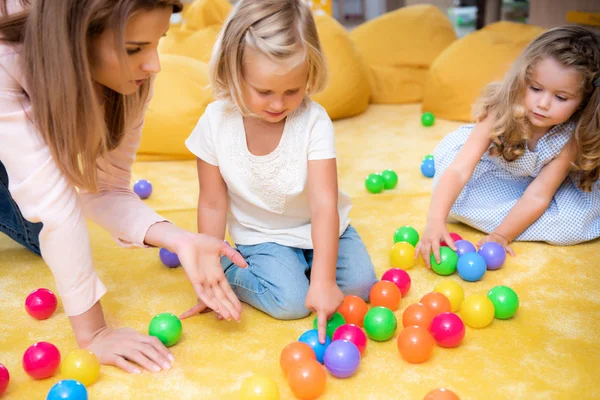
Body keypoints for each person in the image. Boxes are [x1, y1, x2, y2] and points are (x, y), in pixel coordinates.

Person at [0, 0, 246, 374]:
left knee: (47, 241)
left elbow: (106, 189)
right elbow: (55, 204)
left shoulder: (136, 77)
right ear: (75, 40)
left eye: (157, 41)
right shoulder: (8, 57)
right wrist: (94, 333)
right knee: (53, 229)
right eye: (134, 49)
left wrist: (179, 239)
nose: (154, 64)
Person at [181, 0, 377, 343]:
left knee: (361, 287)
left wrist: (323, 279)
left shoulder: (313, 121)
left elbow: (323, 204)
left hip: (323, 226)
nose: (277, 104)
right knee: (290, 302)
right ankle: (230, 269)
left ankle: (308, 271)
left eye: (292, 90)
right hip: (263, 235)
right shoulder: (215, 123)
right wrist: (210, 265)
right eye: (264, 91)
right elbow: (212, 203)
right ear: (234, 71)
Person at [416, 25, 600, 266]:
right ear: (522, 79)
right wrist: (435, 222)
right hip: (492, 174)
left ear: (582, 101)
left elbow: (540, 193)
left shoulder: (573, 134)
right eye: (535, 88)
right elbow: (459, 170)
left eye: (561, 97)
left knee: (572, 226)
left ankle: (504, 220)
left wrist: (501, 236)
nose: (543, 103)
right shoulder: (502, 110)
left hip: (532, 187)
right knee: (455, 201)